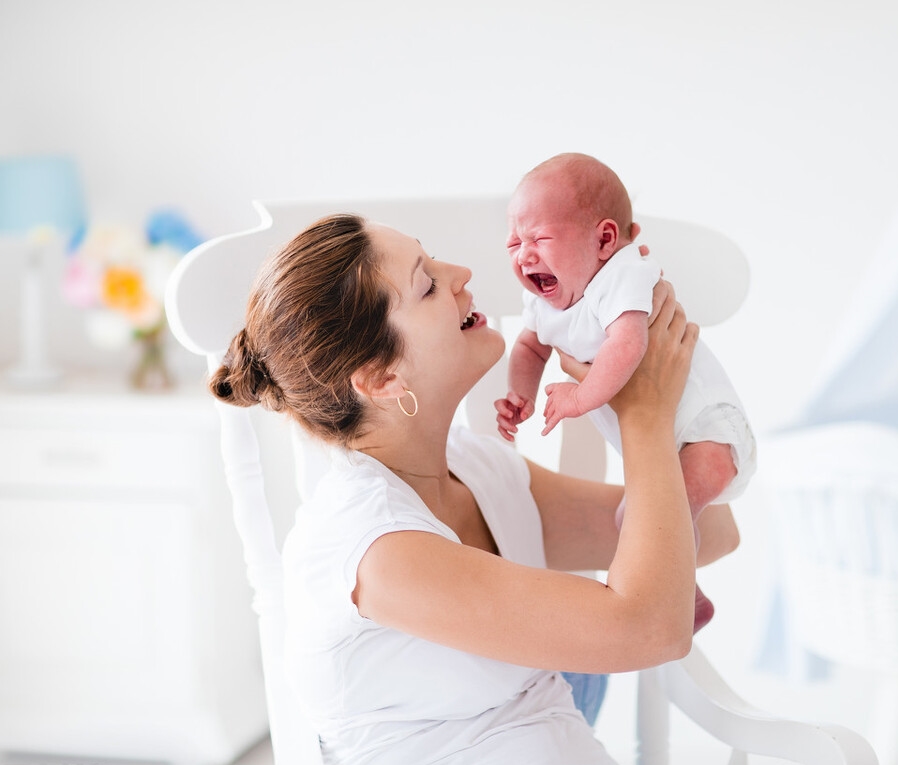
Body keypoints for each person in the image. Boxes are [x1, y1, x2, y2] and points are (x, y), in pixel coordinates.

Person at [209, 213, 739, 764]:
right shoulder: (375, 549)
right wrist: (644, 419)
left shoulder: (480, 472)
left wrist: (624, 361)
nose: (461, 273)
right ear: (382, 378)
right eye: (428, 284)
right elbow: (653, 629)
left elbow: (713, 531)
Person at [496, 153, 757, 632]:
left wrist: (578, 398)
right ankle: (688, 596)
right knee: (632, 522)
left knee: (653, 518)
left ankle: (670, 597)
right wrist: (521, 395)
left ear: (605, 240)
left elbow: (629, 342)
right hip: (661, 445)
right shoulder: (542, 303)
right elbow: (529, 349)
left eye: (540, 239)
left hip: (707, 432)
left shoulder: (621, 275)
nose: (524, 254)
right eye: (515, 242)